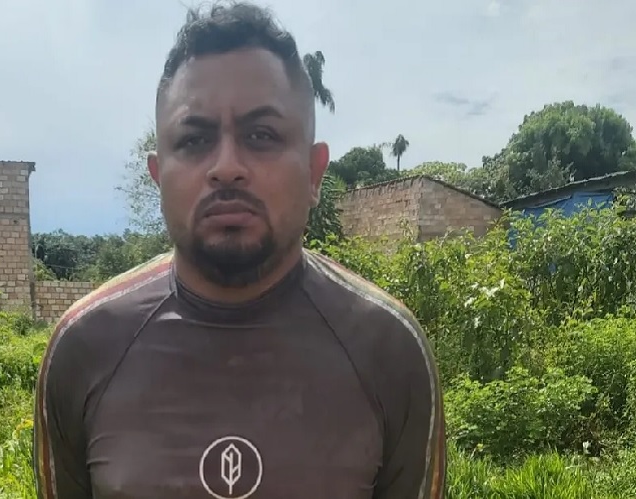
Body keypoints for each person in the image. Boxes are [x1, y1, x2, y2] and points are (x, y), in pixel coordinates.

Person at [32, 2, 446, 497]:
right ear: (159, 177)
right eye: (194, 139)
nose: (226, 167)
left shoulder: (389, 350)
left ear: (314, 173)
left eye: (261, 135)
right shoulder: (84, 348)